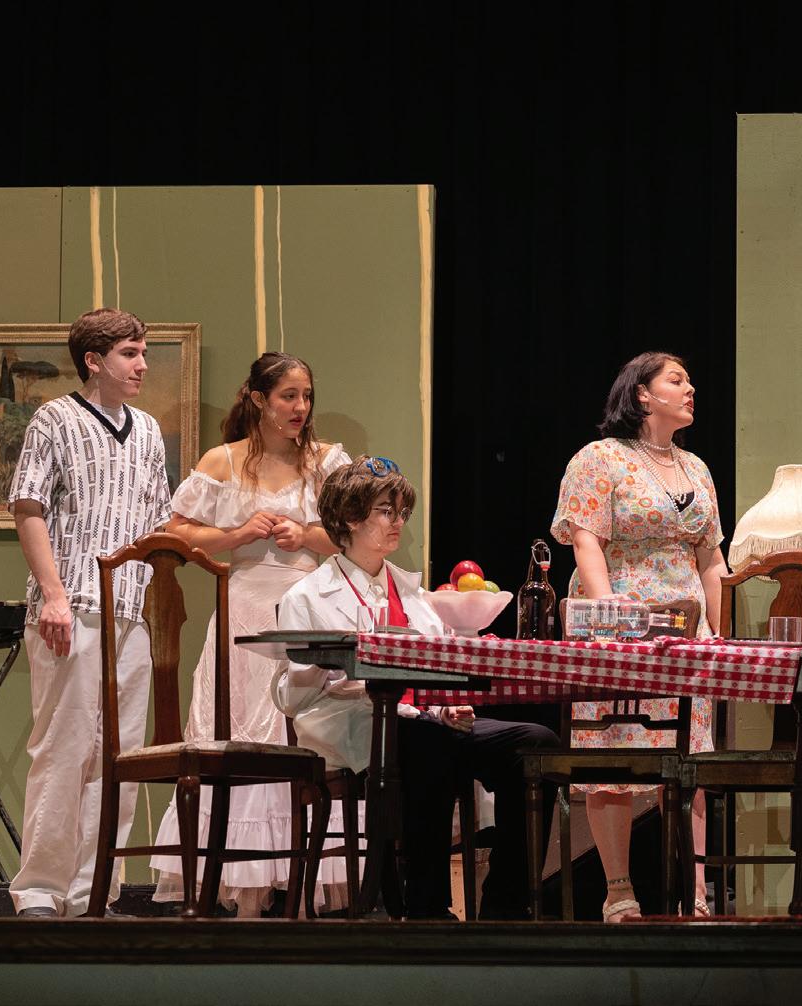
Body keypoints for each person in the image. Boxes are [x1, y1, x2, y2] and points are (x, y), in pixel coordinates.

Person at [273, 457, 557, 920]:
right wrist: (320, 661)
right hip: (351, 723)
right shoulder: (306, 596)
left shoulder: (414, 595)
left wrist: (446, 707)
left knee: (535, 743)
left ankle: (506, 906)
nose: (398, 522)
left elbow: (436, 671)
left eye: (402, 511)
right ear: (350, 517)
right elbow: (294, 700)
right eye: (386, 511)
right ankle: (426, 906)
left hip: (421, 721)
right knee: (426, 743)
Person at [149, 352, 350, 916]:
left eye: (306, 396)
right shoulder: (224, 461)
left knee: (302, 739)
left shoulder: (326, 462)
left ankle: (301, 885)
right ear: (260, 399)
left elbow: (351, 537)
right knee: (241, 734)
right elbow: (177, 534)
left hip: (307, 610)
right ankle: (243, 889)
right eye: (288, 396)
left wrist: (305, 536)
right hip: (242, 612)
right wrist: (236, 534)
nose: (300, 407)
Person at [551, 351, 728, 922]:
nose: (691, 388)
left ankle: (696, 892)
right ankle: (619, 889)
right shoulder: (600, 458)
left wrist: (720, 633)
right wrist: (608, 613)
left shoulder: (696, 468)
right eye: (677, 380)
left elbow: (711, 558)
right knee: (615, 756)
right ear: (643, 394)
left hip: (686, 632)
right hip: (621, 624)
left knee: (690, 759)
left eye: (689, 379)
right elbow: (587, 541)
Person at [9, 309, 173, 918]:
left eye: (144, 352)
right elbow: (29, 508)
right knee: (64, 750)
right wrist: (52, 595)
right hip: (71, 607)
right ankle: (40, 890)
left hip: (130, 613)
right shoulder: (54, 419)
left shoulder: (148, 431)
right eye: (131, 353)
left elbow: (158, 524)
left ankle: (92, 891)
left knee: (117, 758)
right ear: (94, 361)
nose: (142, 365)